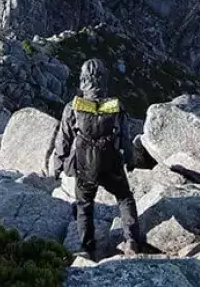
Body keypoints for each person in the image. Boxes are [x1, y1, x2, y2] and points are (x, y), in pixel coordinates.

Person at [54, 58, 141, 259]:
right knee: (125, 197)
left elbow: (63, 140)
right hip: (111, 165)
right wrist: (130, 160)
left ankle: (87, 248)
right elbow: (125, 138)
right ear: (104, 80)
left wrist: (59, 165)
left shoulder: (73, 107)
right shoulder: (115, 106)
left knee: (84, 205)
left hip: (85, 167)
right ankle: (131, 240)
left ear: (83, 80)